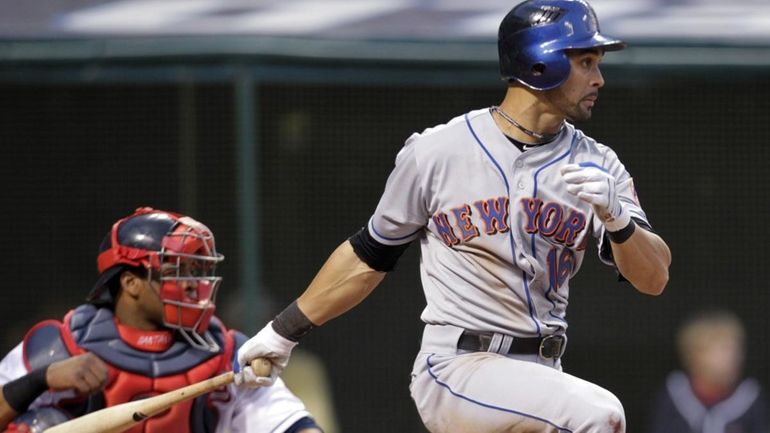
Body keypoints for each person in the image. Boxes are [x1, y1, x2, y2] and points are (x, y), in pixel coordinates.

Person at [235, 0, 671, 432]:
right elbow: (368, 255)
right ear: (541, 61)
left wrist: (618, 219)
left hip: (542, 373)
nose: (599, 78)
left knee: (577, 410)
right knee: (599, 414)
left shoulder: (599, 163)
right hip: (458, 367)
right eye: (586, 61)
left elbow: (653, 279)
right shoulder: (438, 151)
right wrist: (281, 333)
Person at [0, 207, 323, 433]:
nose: (190, 283)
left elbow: (291, 424)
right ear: (130, 283)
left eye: (196, 271)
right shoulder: (63, 344)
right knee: (41, 424)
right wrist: (39, 380)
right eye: (175, 271)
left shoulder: (227, 353)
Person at [645, 309, 768, 433]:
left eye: (736, 350)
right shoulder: (675, 393)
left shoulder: (749, 396)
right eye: (723, 349)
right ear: (694, 354)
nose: (733, 357)